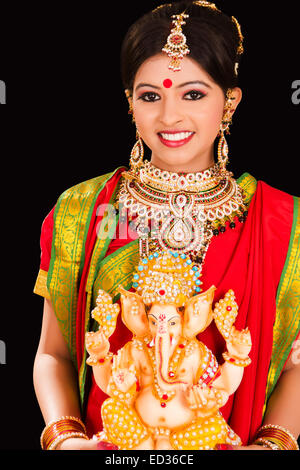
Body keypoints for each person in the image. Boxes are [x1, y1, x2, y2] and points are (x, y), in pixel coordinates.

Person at [33, 1, 299, 451]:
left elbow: (295, 366)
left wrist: (271, 445)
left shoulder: (280, 221)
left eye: (192, 94)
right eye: (150, 95)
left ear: (230, 101)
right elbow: (52, 354)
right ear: (129, 102)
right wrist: (66, 441)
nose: (170, 117)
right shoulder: (86, 209)